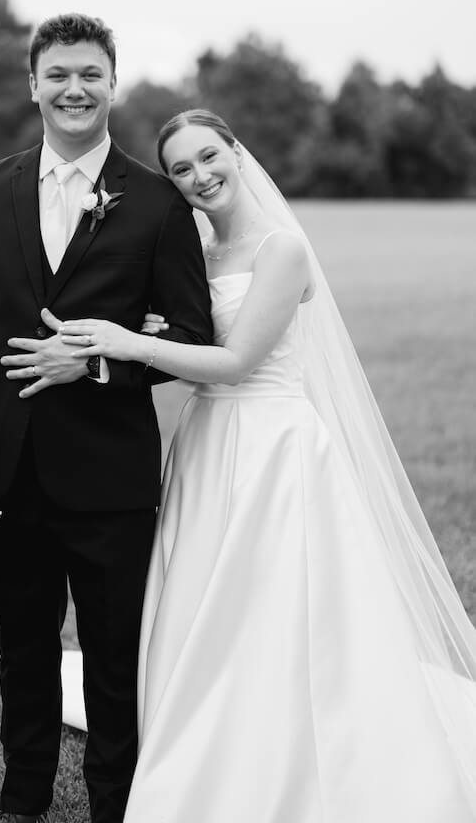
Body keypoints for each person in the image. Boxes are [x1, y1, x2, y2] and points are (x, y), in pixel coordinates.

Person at [49, 109, 476, 821]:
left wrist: (130, 342)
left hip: (273, 446)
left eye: (209, 156)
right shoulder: (198, 247)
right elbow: (196, 347)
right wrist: (152, 333)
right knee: (204, 594)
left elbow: (238, 361)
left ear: (237, 152)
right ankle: (202, 720)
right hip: (207, 443)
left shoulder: (282, 250)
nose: (199, 176)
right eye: (180, 169)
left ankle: (281, 742)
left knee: (276, 598)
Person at [0, 18, 213, 823]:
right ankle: (21, 801)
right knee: (23, 650)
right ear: (33, 85)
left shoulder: (157, 201)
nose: (74, 89)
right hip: (2, 466)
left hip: (109, 474)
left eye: (90, 73)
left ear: (113, 83)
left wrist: (91, 362)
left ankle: (113, 807)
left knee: (114, 660)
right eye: (57, 74)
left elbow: (190, 339)